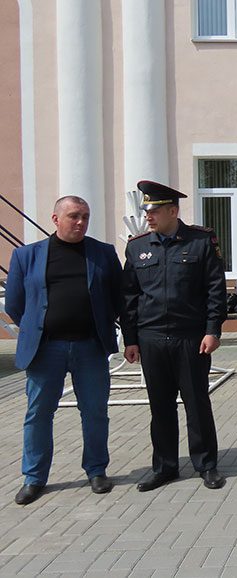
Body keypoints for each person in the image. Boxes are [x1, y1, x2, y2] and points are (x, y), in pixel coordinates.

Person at [4, 196, 122, 505]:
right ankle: (34, 478)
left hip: (90, 348)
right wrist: (38, 328)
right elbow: (15, 304)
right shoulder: (26, 256)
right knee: (38, 414)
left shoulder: (103, 254)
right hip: (46, 350)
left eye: (85, 216)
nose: (81, 222)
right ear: (56, 219)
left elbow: (118, 299)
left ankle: (96, 470)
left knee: (95, 412)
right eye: (74, 216)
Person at [120, 180, 227, 492]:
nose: (148, 216)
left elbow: (215, 290)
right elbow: (129, 297)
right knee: (160, 407)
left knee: (197, 404)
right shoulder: (137, 246)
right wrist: (130, 339)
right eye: (147, 211)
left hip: (190, 338)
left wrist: (212, 330)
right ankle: (165, 467)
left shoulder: (201, 241)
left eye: (154, 211)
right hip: (151, 338)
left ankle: (206, 465)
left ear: (172, 211)